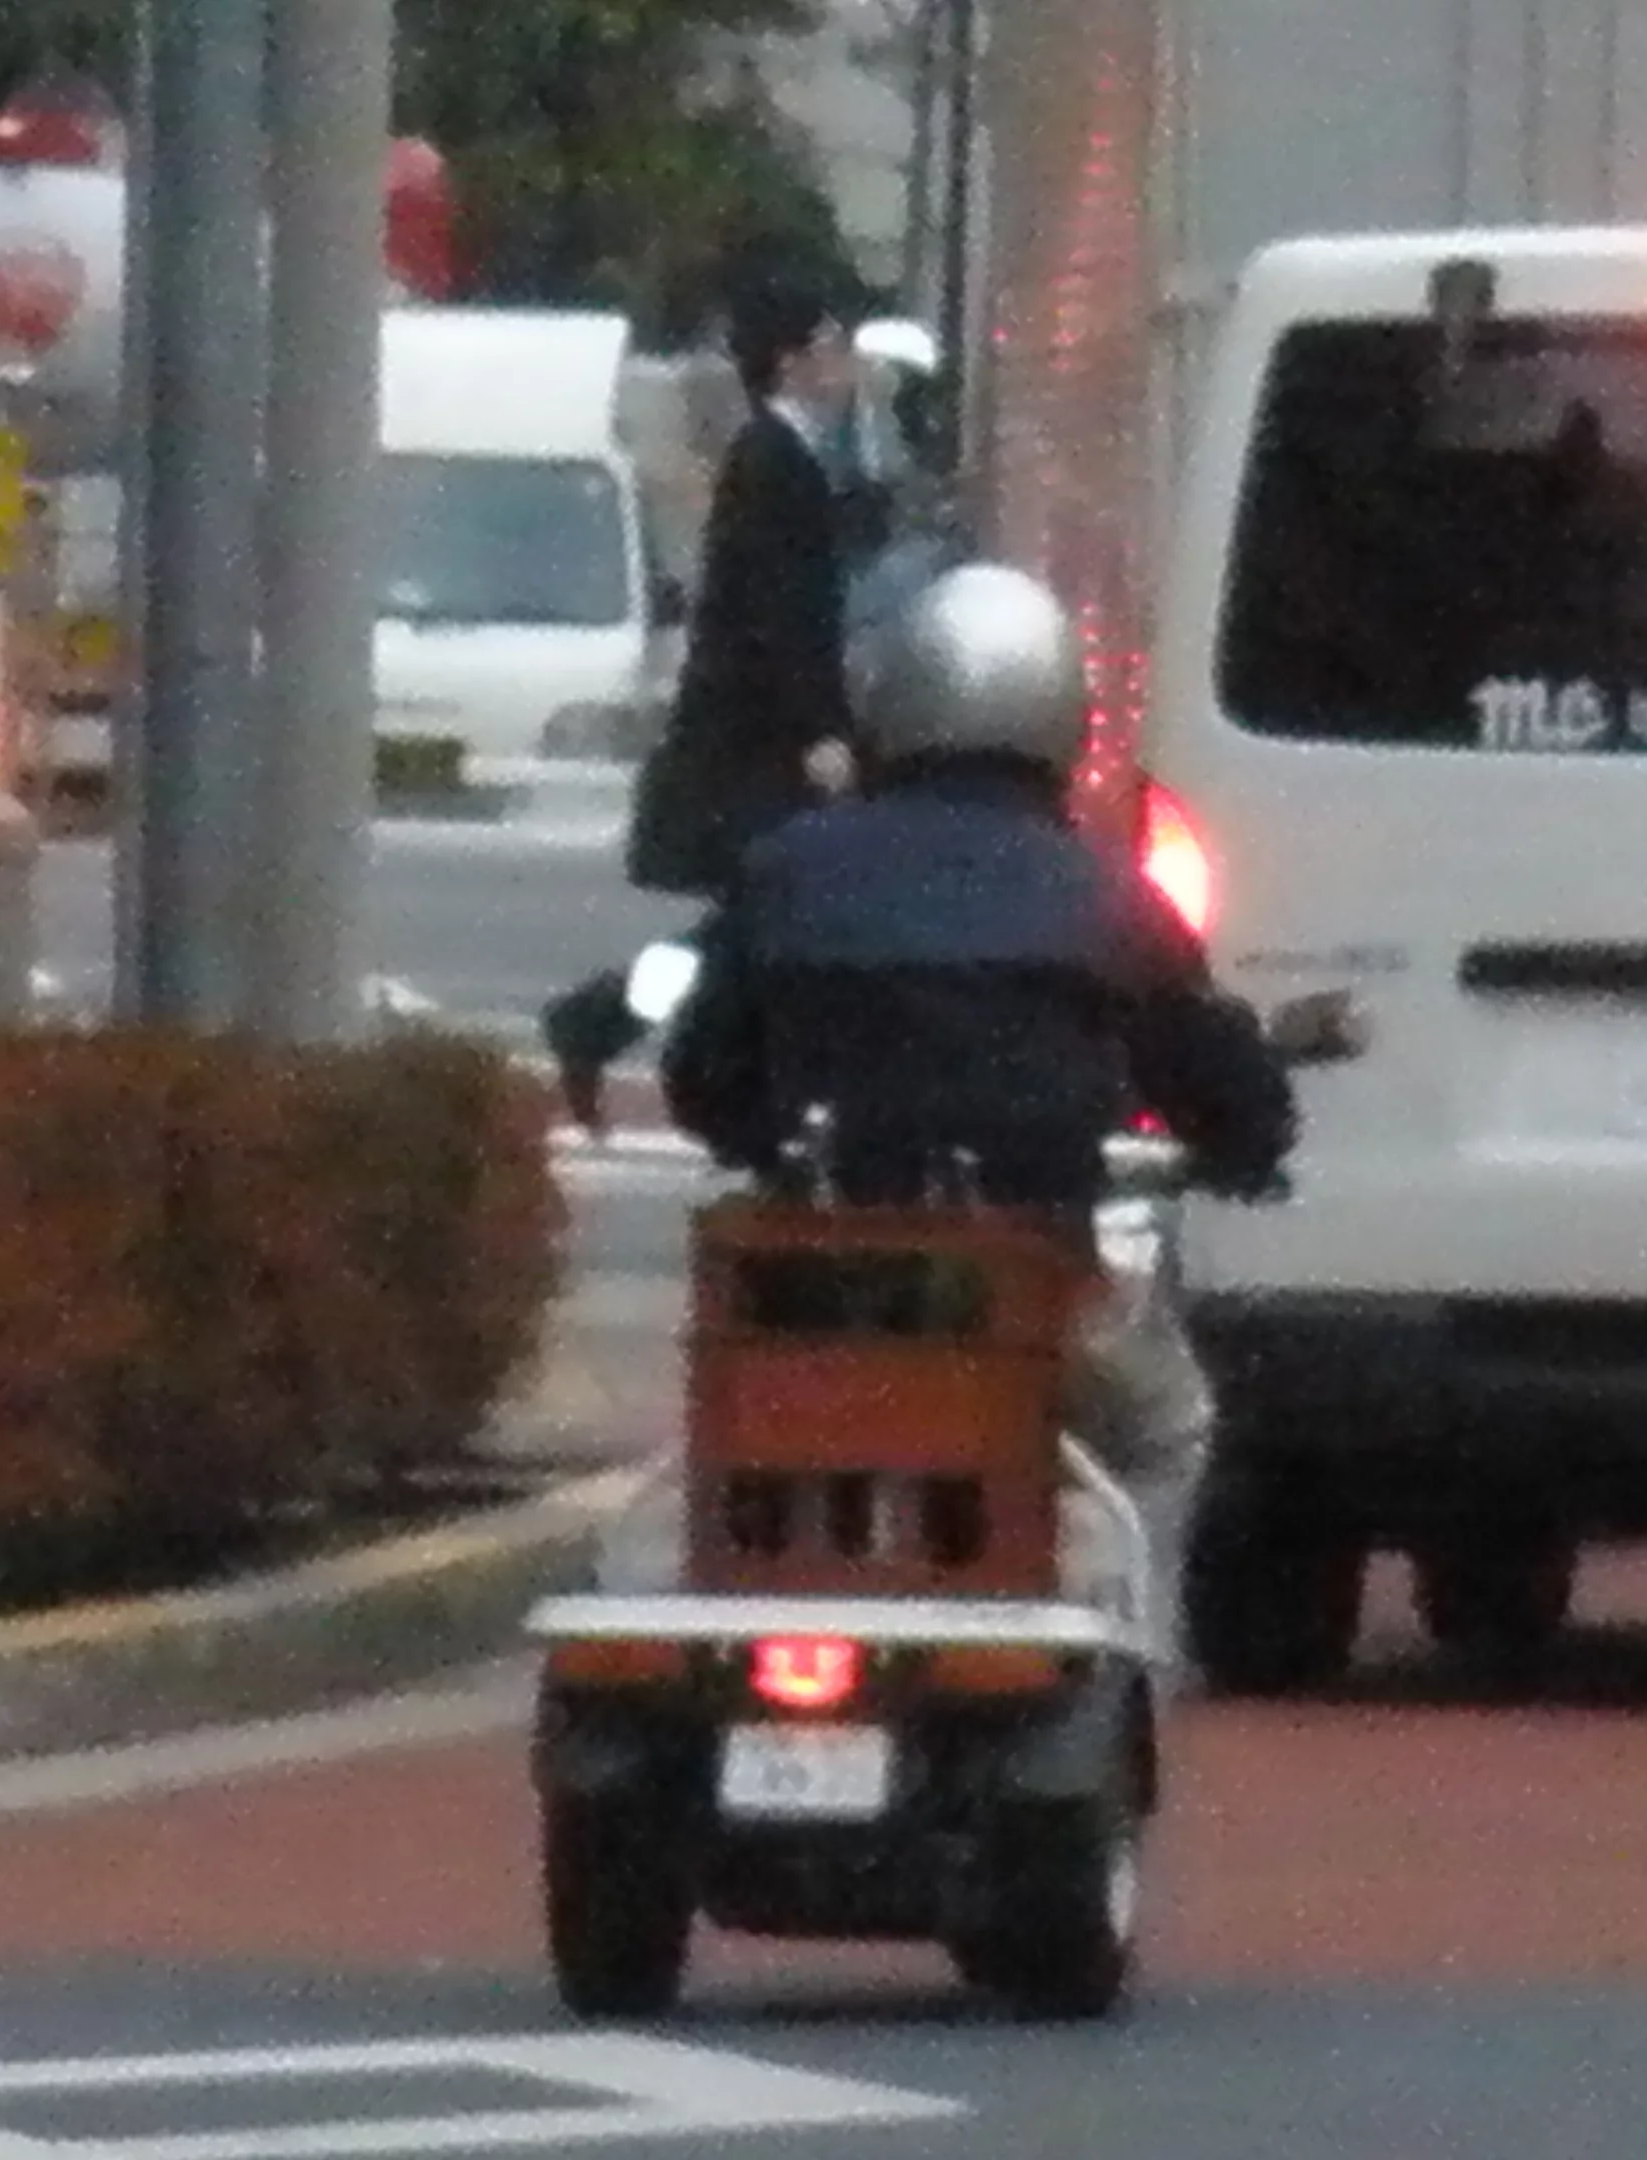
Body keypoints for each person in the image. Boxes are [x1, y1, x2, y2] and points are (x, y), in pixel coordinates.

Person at [591, 563, 1300, 1672]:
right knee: (1166, 1431)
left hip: (809, 1295)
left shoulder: (790, 870)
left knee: (701, 1473)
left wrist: (761, 1130)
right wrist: (1245, 1149)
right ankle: (1132, 1677)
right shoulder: (1106, 895)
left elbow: (703, 1074)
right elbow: (1231, 1093)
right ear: (1059, 718)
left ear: (893, 705)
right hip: (1028, 1290)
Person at [540, 269, 866, 1130]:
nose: (846, 362)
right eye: (832, 344)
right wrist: (817, 735)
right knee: (760, 929)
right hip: (757, 751)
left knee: (752, 931)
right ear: (792, 362)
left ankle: (616, 1029)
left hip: (754, 743)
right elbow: (775, 615)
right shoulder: (776, 462)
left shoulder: (781, 458)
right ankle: (616, 1029)